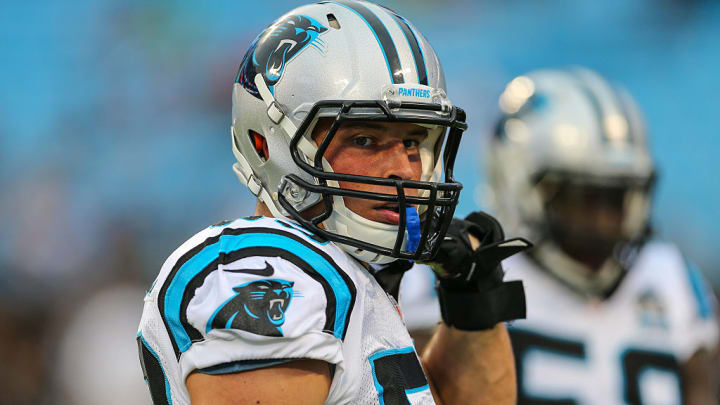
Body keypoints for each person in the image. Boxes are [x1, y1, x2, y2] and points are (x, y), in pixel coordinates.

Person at [136, 2, 529, 404]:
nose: (404, 171)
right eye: (365, 140)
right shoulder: (262, 266)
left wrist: (472, 301)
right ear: (266, 144)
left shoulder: (347, 272)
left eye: (413, 141)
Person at [486, 67, 719, 404]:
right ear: (521, 189)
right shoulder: (478, 277)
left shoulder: (672, 279)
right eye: (584, 199)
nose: (604, 223)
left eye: (617, 200)